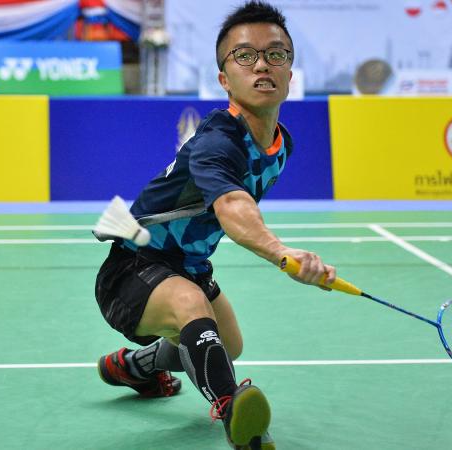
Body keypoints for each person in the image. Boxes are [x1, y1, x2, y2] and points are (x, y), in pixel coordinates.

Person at [94, 2, 336, 448]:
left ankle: (136, 367)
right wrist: (283, 254)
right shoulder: (216, 143)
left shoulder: (282, 145)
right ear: (225, 79)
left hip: (188, 267)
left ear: (290, 73)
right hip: (131, 269)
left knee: (228, 344)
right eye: (245, 56)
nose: (262, 64)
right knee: (191, 308)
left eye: (276, 54)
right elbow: (231, 205)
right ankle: (234, 415)